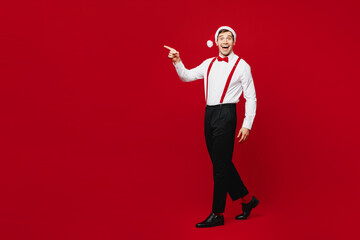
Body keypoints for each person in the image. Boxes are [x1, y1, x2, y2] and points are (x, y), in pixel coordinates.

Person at [164, 26, 259, 228]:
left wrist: (247, 124)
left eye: (229, 38)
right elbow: (187, 76)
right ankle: (248, 199)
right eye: (222, 38)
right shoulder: (208, 64)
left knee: (219, 167)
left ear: (234, 42)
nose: (225, 41)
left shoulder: (243, 66)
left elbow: (251, 97)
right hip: (209, 114)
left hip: (227, 115)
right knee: (221, 162)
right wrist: (177, 61)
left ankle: (218, 213)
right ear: (216, 42)